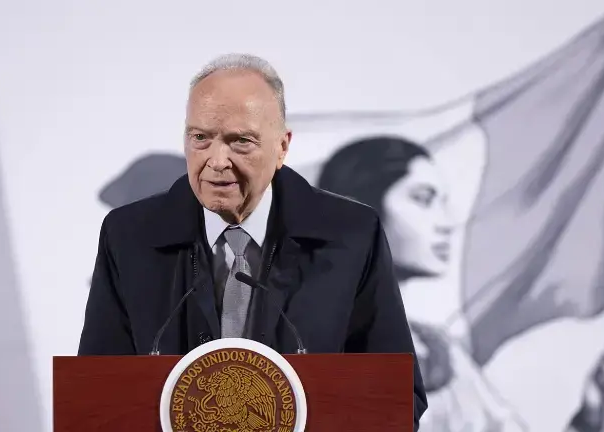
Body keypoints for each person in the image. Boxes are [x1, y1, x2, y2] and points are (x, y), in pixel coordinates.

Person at [77, 53, 427, 427]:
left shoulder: (350, 235)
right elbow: (96, 396)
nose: (216, 161)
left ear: (282, 147)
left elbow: (398, 397)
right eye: (200, 138)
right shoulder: (130, 237)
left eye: (240, 141)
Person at [317, 136, 526, 431]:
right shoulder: (302, 343)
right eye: (423, 199)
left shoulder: (438, 350)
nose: (447, 223)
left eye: (442, 202)